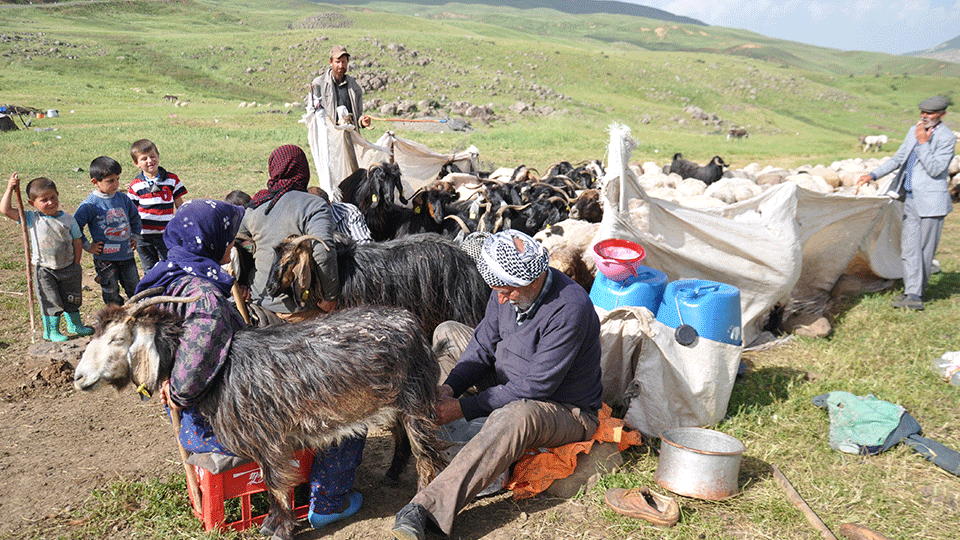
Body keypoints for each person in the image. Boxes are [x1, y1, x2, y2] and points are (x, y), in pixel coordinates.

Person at [144, 199, 364, 531]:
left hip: (203, 420)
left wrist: (160, 383)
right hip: (223, 426)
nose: (231, 244)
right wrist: (176, 390)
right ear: (208, 240)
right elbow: (190, 380)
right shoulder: (204, 299)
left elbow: (147, 363)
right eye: (226, 237)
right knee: (350, 415)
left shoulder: (166, 279)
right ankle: (329, 502)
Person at [391, 229, 604, 540]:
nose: (501, 299)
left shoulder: (570, 307)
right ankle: (457, 450)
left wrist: (461, 408)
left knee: (516, 414)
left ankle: (428, 509)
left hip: (562, 409)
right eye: (498, 291)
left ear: (534, 280)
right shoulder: (506, 287)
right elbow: (482, 345)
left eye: (507, 292)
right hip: (509, 379)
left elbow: (536, 386)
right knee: (448, 332)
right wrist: (450, 388)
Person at [858, 95, 956, 311]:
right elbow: (897, 159)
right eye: (922, 112)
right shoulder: (914, 130)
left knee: (924, 250)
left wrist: (922, 143)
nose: (924, 117)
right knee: (909, 248)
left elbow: (936, 169)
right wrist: (873, 175)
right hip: (909, 198)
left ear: (942, 115)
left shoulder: (947, 138)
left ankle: (916, 295)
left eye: (930, 113)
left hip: (931, 203)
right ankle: (911, 292)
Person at [239, 144, 341, 317]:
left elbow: (235, 244)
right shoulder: (314, 205)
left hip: (257, 301)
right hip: (300, 309)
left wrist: (241, 284)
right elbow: (323, 252)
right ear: (303, 170)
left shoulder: (256, 206)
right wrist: (330, 296)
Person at [0, 173, 93, 341]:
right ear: (32, 203)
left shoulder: (68, 219)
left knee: (72, 297)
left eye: (53, 197)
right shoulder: (32, 218)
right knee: (50, 299)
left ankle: (75, 325)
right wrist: (9, 188)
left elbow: (77, 240)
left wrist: (76, 263)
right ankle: (51, 331)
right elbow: (5, 210)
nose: (50, 202)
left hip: (69, 267)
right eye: (44, 200)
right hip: (44, 269)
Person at [75, 156, 142, 306]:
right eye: (110, 181)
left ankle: (137, 315)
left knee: (135, 288)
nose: (116, 184)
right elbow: (75, 227)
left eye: (117, 179)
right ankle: (115, 317)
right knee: (110, 290)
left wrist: (135, 236)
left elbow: (135, 218)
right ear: (95, 182)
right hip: (105, 259)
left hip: (126, 255)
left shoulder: (123, 199)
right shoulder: (90, 205)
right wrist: (88, 246)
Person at [127, 139, 188, 272]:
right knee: (150, 269)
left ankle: (170, 291)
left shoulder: (172, 180)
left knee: (171, 265)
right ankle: (152, 292)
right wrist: (132, 234)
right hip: (143, 236)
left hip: (166, 234)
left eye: (152, 156)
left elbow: (180, 205)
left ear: (158, 155)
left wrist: (183, 225)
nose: (150, 161)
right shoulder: (135, 185)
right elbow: (130, 211)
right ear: (136, 163)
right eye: (144, 159)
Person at [309, 45, 372, 129]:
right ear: (330, 62)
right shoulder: (318, 84)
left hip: (349, 135)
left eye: (344, 62)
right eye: (337, 62)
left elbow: (357, 116)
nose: (341, 65)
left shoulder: (354, 86)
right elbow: (312, 114)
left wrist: (362, 121)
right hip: (327, 136)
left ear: (347, 62)